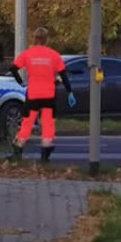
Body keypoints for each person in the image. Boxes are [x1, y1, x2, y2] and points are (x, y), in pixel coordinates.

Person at [8, 27, 75, 162]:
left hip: (33, 94)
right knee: (47, 123)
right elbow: (63, 75)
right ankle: (45, 153)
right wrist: (70, 92)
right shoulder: (54, 55)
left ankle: (18, 150)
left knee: (27, 122)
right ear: (46, 40)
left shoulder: (28, 54)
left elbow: (13, 68)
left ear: (34, 39)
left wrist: (21, 82)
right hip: (49, 95)